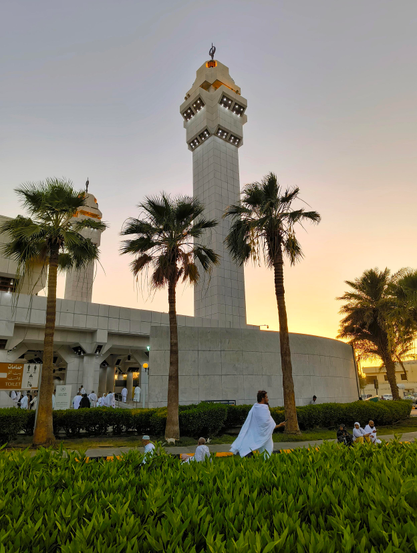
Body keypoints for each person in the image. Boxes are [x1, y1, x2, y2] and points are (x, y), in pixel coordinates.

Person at [230, 391, 286, 458]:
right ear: (262, 398)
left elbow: (264, 425)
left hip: (259, 435)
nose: (268, 399)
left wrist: (279, 425)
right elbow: (267, 426)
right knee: (267, 452)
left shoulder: (255, 407)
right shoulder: (264, 409)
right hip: (265, 436)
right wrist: (279, 425)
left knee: (263, 451)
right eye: (266, 397)